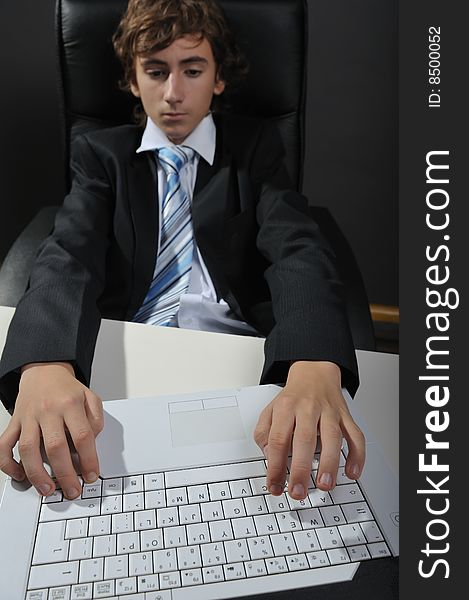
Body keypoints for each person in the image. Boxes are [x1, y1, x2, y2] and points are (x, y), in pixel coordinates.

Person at [0, 0, 365, 503]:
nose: (173, 93)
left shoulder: (254, 149)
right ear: (132, 79)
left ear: (218, 78)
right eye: (155, 71)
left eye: (192, 71)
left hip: (235, 356)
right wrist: (43, 364)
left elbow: (296, 247)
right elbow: (69, 252)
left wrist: (313, 359)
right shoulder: (103, 155)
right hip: (132, 352)